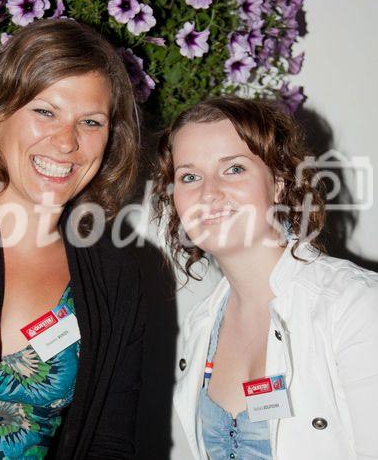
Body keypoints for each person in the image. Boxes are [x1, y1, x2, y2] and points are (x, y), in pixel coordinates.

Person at [0, 18, 144, 459]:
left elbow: (109, 441)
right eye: (45, 111)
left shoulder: (115, 275)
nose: (67, 142)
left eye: (91, 122)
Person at [153, 96, 378, 459]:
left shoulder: (355, 307)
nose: (208, 193)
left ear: (278, 183)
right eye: (190, 176)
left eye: (234, 169)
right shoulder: (201, 326)